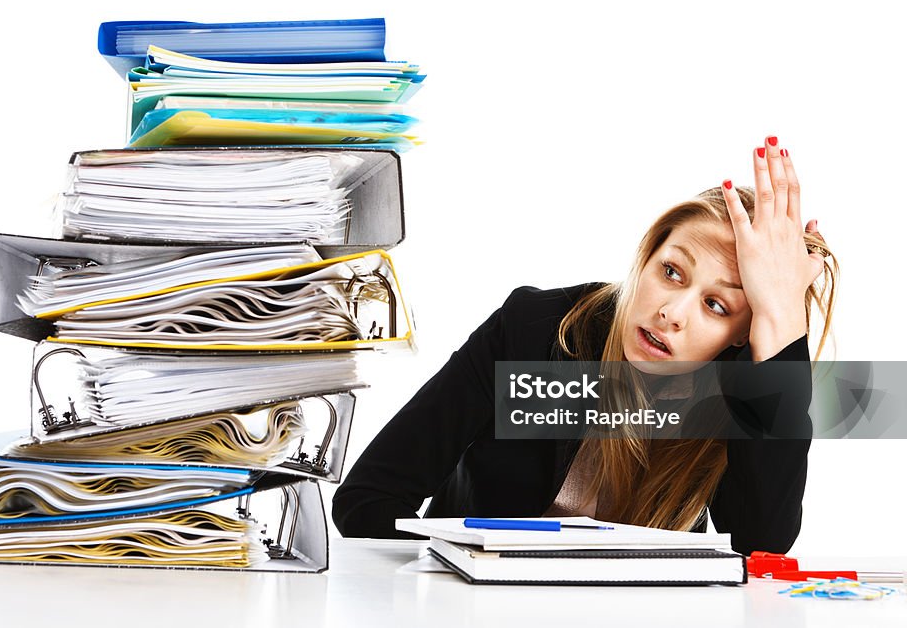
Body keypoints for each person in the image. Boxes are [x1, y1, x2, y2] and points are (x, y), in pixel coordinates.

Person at [331, 136, 838, 555]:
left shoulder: (736, 390)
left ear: (739, 339)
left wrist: (781, 321)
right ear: (645, 258)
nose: (672, 313)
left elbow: (761, 545)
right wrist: (444, 582)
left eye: (717, 306)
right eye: (671, 272)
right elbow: (368, 499)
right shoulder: (532, 329)